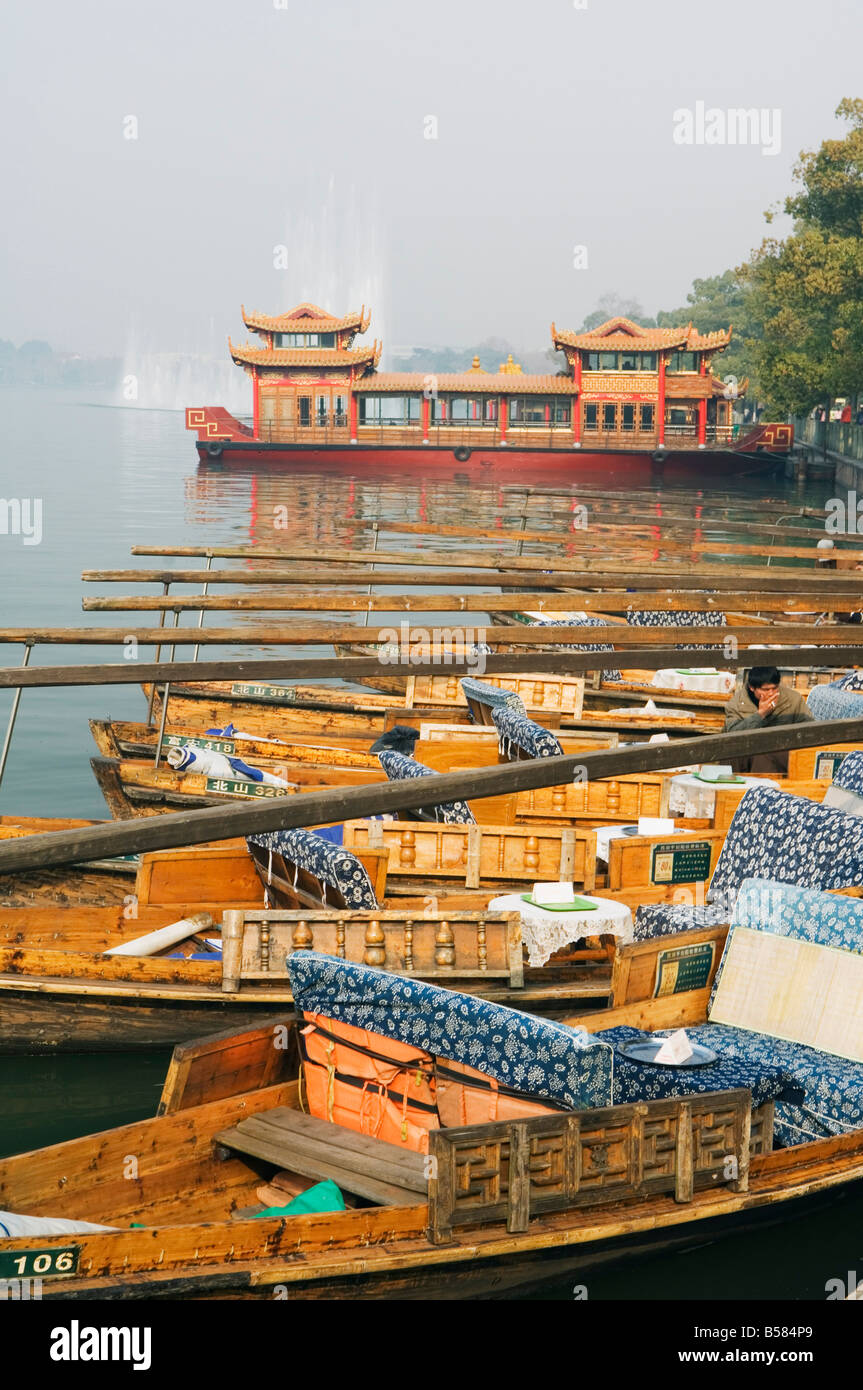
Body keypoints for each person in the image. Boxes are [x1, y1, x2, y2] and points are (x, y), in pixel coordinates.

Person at [724, 665, 813, 774]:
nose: (771, 693)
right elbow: (732, 735)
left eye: (775, 688)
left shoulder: (793, 699)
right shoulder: (736, 704)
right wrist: (760, 715)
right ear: (752, 688)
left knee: (765, 754)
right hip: (746, 753)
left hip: (782, 752)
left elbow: (810, 730)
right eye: (765, 689)